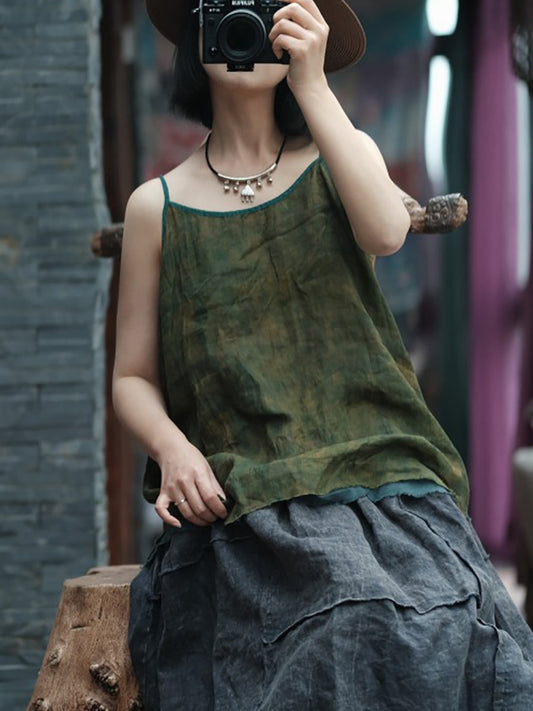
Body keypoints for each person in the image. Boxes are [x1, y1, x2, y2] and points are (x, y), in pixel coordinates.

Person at [112, 0, 533, 708]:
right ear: (195, 34)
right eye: (224, 7)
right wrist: (174, 450)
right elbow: (131, 375)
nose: (245, 23)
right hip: (250, 495)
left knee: (445, 624)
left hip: (385, 477)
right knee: (339, 621)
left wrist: (312, 83)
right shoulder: (155, 206)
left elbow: (386, 231)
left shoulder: (341, 154)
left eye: (266, 7)